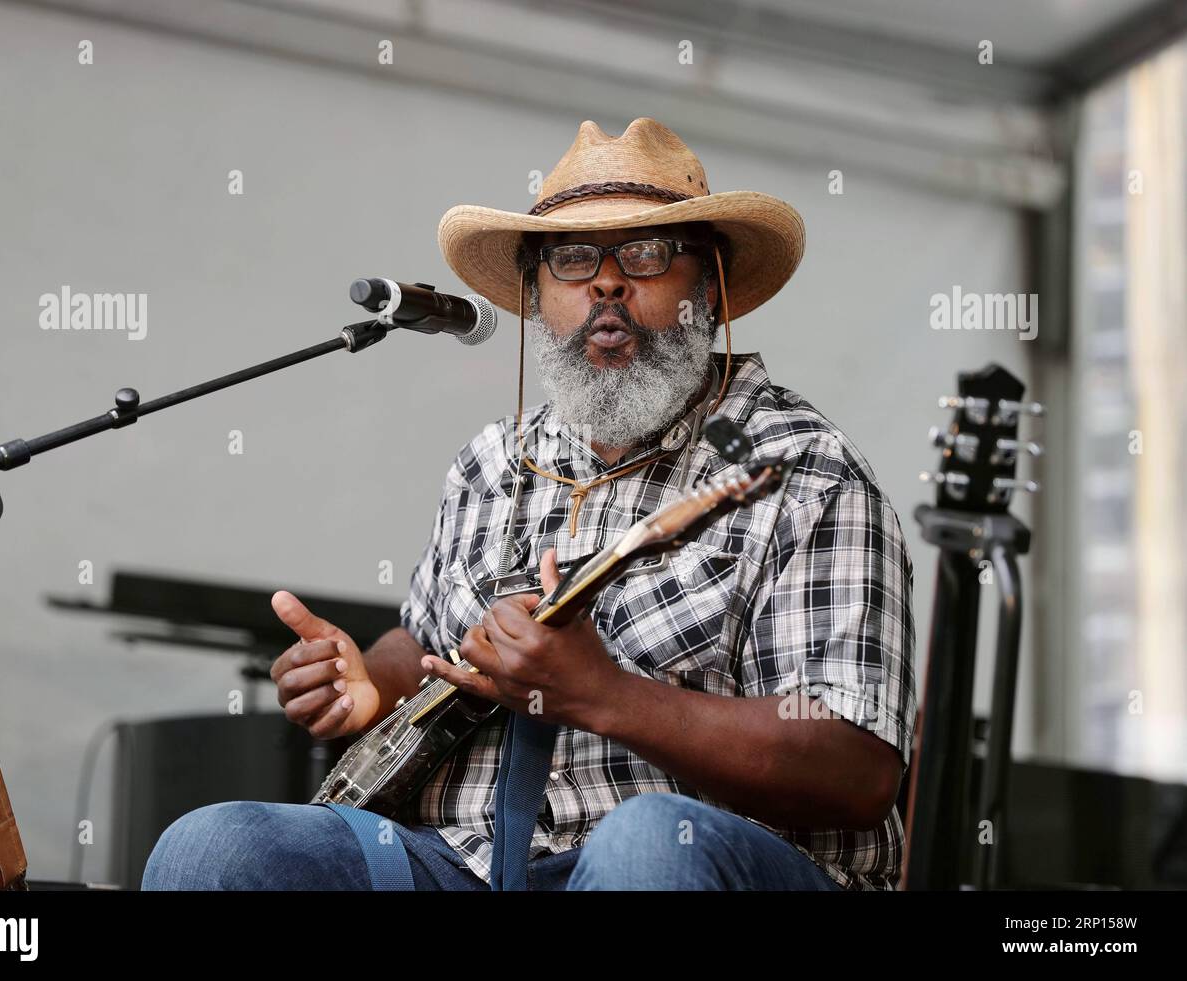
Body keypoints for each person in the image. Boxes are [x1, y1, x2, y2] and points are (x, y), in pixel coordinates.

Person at [142, 117, 916, 891]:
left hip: (686, 861)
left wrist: (609, 696)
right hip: (469, 861)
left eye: (645, 253)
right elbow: (431, 644)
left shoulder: (804, 471)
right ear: (538, 295)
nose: (605, 284)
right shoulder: (491, 464)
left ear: (707, 286)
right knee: (216, 847)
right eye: (573, 259)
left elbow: (856, 767)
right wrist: (371, 682)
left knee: (645, 845)